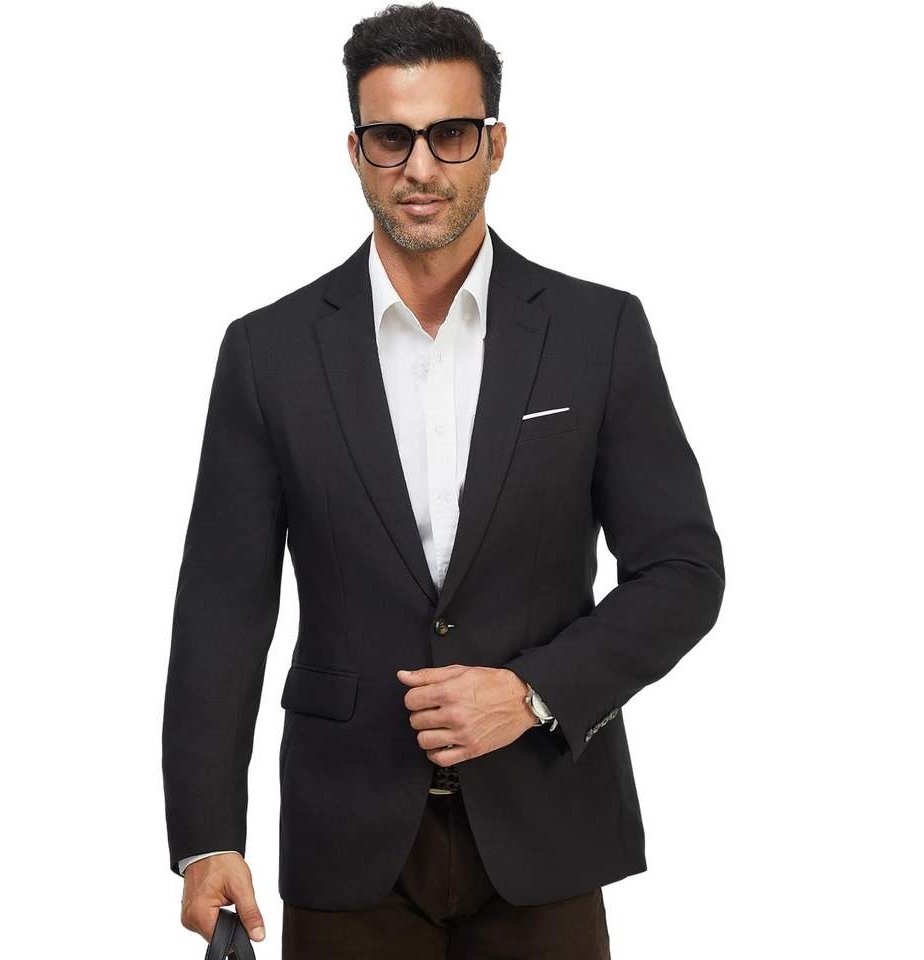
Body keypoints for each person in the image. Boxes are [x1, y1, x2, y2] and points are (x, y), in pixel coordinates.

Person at [162, 4, 725, 957]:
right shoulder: (268, 353)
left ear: (495, 145)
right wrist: (207, 835)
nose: (420, 167)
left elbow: (683, 571)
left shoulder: (598, 333)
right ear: (356, 152)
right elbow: (223, 605)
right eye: (392, 138)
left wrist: (533, 690)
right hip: (347, 838)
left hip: (547, 827)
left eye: (450, 134)